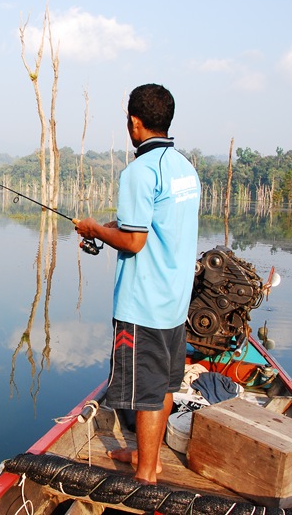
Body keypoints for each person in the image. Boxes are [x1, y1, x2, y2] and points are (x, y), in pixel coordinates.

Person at [74, 83, 200, 485]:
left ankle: (146, 473)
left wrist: (93, 226)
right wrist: (105, 229)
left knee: (145, 392)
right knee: (163, 386)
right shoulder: (185, 168)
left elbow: (134, 240)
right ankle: (149, 455)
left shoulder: (138, 172)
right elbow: (146, 226)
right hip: (174, 304)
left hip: (142, 305)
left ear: (134, 122)